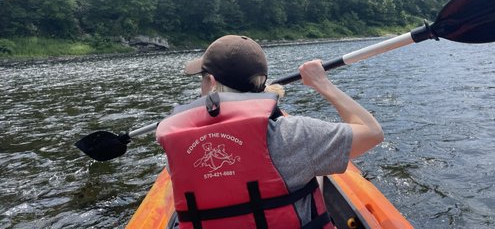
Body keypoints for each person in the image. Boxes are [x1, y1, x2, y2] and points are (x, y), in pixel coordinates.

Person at [156, 35, 384, 229]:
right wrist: (322, 83)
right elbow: (371, 132)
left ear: (211, 82)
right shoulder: (293, 135)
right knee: (317, 167)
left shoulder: (179, 149)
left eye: (202, 78)